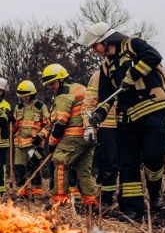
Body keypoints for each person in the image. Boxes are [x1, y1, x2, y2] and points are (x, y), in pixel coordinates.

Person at [81, 22, 165, 221]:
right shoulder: (106, 66)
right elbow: (106, 98)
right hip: (127, 119)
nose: (94, 51)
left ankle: (155, 190)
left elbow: (154, 56)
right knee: (128, 165)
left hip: (150, 111)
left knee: (153, 156)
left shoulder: (133, 45)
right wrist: (98, 116)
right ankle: (134, 210)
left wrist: (132, 75)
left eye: (95, 46)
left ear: (105, 41)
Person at [41, 64, 98, 209]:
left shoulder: (64, 94)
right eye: (48, 85)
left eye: (53, 83)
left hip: (73, 136)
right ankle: (90, 202)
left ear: (62, 80)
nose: (51, 87)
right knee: (83, 170)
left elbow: (60, 123)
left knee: (60, 163)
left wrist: (52, 144)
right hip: (88, 135)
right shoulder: (79, 87)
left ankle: (58, 202)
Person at [86, 69, 120, 210]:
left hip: (129, 124)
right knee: (109, 164)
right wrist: (88, 124)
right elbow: (89, 101)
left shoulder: (132, 68)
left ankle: (128, 201)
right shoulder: (99, 75)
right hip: (107, 125)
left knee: (128, 164)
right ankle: (106, 200)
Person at [12, 80, 50, 198]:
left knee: (34, 168)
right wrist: (12, 122)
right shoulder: (18, 107)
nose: (24, 98)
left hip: (33, 144)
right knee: (19, 169)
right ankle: (21, 194)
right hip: (19, 145)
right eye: (22, 96)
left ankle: (37, 195)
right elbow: (14, 129)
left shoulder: (40, 106)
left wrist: (41, 136)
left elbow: (48, 124)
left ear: (32, 94)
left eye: (26, 95)